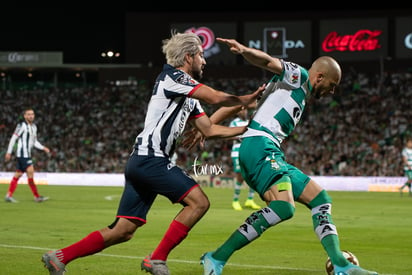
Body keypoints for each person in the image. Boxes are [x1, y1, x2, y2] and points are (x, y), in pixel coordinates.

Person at [41, 31, 264, 275]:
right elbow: (215, 97)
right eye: (201, 56)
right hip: (151, 158)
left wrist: (249, 129)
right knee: (199, 202)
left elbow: (208, 130)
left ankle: (59, 257)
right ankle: (156, 259)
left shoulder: (188, 94)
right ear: (188, 57)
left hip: (143, 161)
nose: (205, 61)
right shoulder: (172, 76)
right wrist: (245, 100)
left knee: (123, 230)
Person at [200, 38, 378, 275]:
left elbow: (241, 102)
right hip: (258, 146)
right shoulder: (300, 76)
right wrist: (244, 51)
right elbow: (268, 61)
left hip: (270, 150)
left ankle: (340, 265)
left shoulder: (288, 93)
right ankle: (216, 258)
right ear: (320, 76)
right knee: (284, 207)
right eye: (332, 85)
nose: (332, 91)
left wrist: (208, 125)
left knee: (320, 199)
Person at [4, 108, 50, 203]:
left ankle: (9, 195)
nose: (31, 116)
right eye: (28, 114)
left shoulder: (34, 127)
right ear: (25, 116)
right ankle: (36, 196)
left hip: (27, 154)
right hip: (22, 154)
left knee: (18, 174)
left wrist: (43, 148)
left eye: (32, 114)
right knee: (30, 172)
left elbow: (34, 142)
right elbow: (13, 139)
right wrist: (9, 152)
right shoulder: (21, 125)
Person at [228, 108, 261, 211]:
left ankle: (250, 200)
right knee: (240, 176)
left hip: (249, 151)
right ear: (237, 112)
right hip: (237, 151)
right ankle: (235, 201)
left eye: (244, 110)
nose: (242, 112)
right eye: (240, 110)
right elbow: (228, 135)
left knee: (252, 175)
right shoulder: (234, 122)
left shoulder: (249, 122)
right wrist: (240, 137)